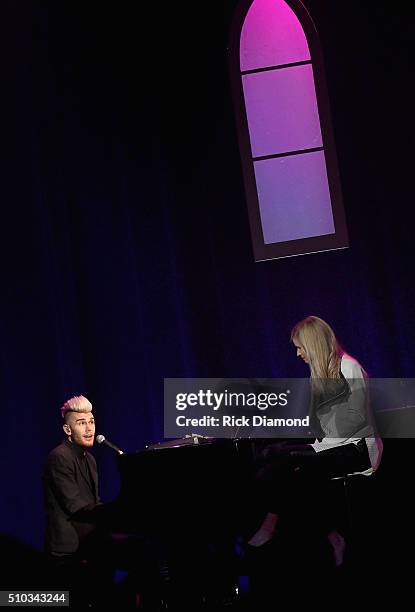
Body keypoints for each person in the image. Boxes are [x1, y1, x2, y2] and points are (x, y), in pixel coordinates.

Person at [247, 316, 383, 567]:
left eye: (300, 347)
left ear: (314, 345)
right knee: (270, 456)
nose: (298, 354)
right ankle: (328, 535)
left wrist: (317, 438)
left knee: (291, 465)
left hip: (357, 449)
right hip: (331, 446)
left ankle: (271, 525)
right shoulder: (319, 375)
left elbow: (358, 419)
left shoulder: (349, 367)